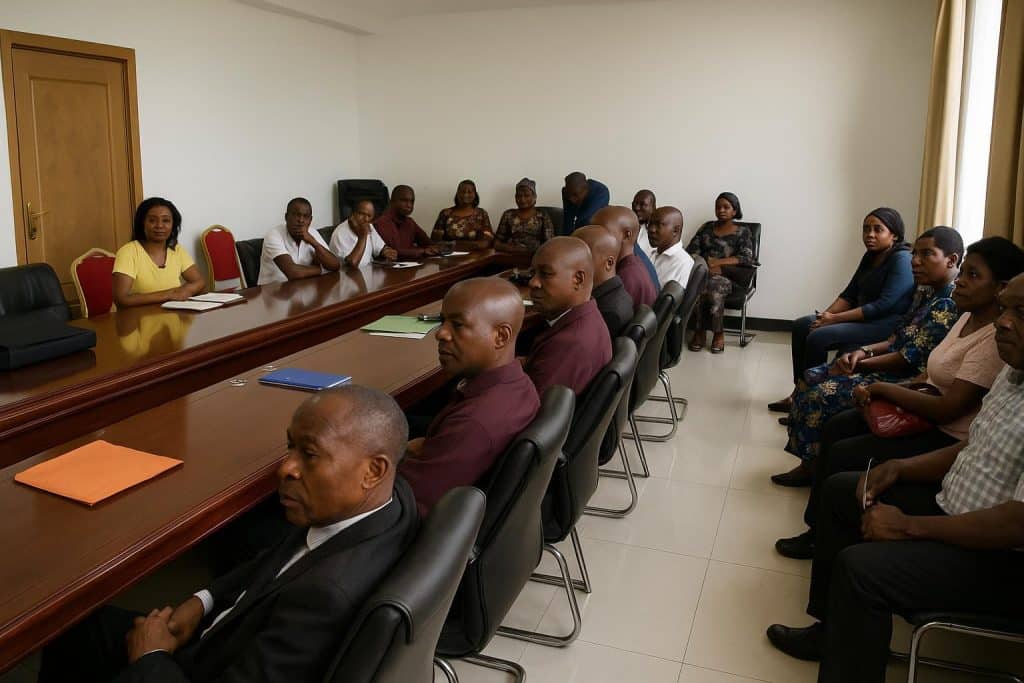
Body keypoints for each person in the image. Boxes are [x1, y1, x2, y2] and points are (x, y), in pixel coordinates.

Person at [38, 385, 418, 682]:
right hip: (223, 632)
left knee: (72, 629)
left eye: (310, 454)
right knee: (78, 627)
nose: (286, 468)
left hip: (200, 667)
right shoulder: (390, 501)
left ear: (373, 471)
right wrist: (201, 602)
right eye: (291, 447)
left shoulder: (324, 597)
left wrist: (150, 657)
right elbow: (277, 560)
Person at [766, 273, 1024, 683]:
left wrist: (909, 526)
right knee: (842, 491)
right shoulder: (1013, 377)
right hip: (959, 506)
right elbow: (973, 446)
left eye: (1020, 312)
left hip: (1000, 557)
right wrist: (900, 468)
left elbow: (1015, 524)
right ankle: (829, 630)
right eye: (1006, 308)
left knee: (861, 570)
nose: (1004, 322)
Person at [776, 236, 1024, 558]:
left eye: (973, 275)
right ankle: (819, 523)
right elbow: (926, 368)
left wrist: (881, 387)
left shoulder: (993, 340)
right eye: (964, 272)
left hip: (941, 432)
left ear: (1001, 288)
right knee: (839, 425)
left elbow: (946, 408)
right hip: (920, 405)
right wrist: (890, 381)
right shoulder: (965, 315)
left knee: (840, 446)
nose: (961, 281)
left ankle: (824, 531)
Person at [771, 228, 964, 486]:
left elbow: (906, 358)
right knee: (810, 376)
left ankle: (812, 467)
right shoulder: (926, 292)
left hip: (905, 379)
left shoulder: (947, 304)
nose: (915, 261)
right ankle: (810, 453)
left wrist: (859, 365)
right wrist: (863, 352)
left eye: (926, 254)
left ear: (951, 260)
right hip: (889, 362)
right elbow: (895, 339)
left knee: (819, 394)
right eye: (915, 254)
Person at [400, 277, 539, 516]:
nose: (441, 334)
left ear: (501, 336)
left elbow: (409, 504)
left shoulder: (474, 424)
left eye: (458, 324)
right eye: (443, 321)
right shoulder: (518, 384)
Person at [769, 208, 915, 414]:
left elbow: (883, 305)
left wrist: (834, 319)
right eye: (866, 229)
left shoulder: (902, 259)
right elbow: (849, 294)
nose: (870, 234)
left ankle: (807, 403)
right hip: (863, 319)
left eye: (878, 229)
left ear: (895, 235)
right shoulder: (870, 256)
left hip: (885, 324)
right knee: (803, 325)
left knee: (819, 337)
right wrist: (823, 318)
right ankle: (799, 392)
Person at [525, 236, 612, 396]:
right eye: (533, 273)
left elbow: (529, 406)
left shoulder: (568, 345)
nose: (533, 282)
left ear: (578, 279)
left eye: (545, 274)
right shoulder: (588, 315)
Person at [686, 192, 756, 353]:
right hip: (704, 272)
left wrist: (718, 263)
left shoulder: (743, 231)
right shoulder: (706, 228)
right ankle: (700, 331)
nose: (721, 210)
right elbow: (691, 251)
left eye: (726, 207)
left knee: (714, 287)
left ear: (735, 210)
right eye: (718, 207)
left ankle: (718, 333)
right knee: (698, 284)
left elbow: (746, 258)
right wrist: (705, 265)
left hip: (729, 277)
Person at [112, 197, 206, 308]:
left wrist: (186, 290)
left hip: (173, 314)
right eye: (152, 220)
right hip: (138, 316)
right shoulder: (128, 252)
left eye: (166, 220)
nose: (159, 226)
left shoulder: (177, 250)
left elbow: (199, 281)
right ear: (142, 223)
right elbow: (121, 299)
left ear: (173, 224)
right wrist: (169, 294)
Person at [257, 197, 340, 285]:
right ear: (286, 217)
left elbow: (335, 265)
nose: (301, 220)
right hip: (273, 290)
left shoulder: (312, 233)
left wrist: (313, 242)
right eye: (296, 215)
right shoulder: (274, 235)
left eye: (306, 216)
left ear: (310, 220)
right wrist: (321, 270)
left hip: (303, 287)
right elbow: (293, 273)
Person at [573, 224, 634, 338]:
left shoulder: (607, 312)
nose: (572, 263)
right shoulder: (617, 295)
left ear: (609, 263)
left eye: (582, 258)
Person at [593, 206, 658, 307]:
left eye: (603, 232)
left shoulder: (626, 279)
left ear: (626, 235)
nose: (593, 237)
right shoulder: (632, 262)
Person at [374, 185, 440, 260]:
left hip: (410, 264)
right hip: (390, 266)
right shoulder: (382, 222)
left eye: (412, 201)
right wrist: (422, 251)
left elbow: (427, 243)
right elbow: (395, 251)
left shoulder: (410, 222)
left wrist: (433, 248)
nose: (409, 205)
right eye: (404, 200)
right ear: (392, 201)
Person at [329, 199, 397, 268]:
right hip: (347, 273)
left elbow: (380, 248)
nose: (366, 219)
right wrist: (363, 236)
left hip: (368, 270)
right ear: (353, 213)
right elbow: (351, 264)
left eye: (369, 216)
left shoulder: (368, 226)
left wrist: (386, 251)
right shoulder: (339, 234)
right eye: (362, 214)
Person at [494, 178, 555, 254]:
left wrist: (528, 250)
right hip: (510, 256)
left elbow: (550, 244)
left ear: (534, 196)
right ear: (515, 197)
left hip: (535, 257)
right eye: (519, 196)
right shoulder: (508, 215)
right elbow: (496, 243)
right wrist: (512, 248)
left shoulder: (542, 215)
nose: (522, 199)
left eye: (527, 195)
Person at [431, 179, 494, 251]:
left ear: (475, 194)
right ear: (457, 194)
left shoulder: (482, 214)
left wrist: (454, 244)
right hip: (449, 255)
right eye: (462, 192)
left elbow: (487, 241)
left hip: (476, 255)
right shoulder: (445, 213)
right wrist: (471, 245)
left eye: (469, 192)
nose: (465, 195)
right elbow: (435, 241)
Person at [646, 206, 695, 291]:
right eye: (650, 224)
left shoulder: (683, 263)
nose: (651, 229)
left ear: (675, 230)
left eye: (658, 225)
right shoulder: (653, 253)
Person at [631, 189, 656, 253]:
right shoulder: (625, 225)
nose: (637, 208)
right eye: (634, 204)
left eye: (643, 205)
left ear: (653, 208)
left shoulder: (658, 232)